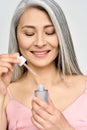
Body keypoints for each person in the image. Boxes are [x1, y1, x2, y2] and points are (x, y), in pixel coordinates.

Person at [0, 0, 87, 129]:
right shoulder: (6, 95)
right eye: (29, 33)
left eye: (50, 32)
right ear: (16, 36)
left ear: (61, 36)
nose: (40, 42)